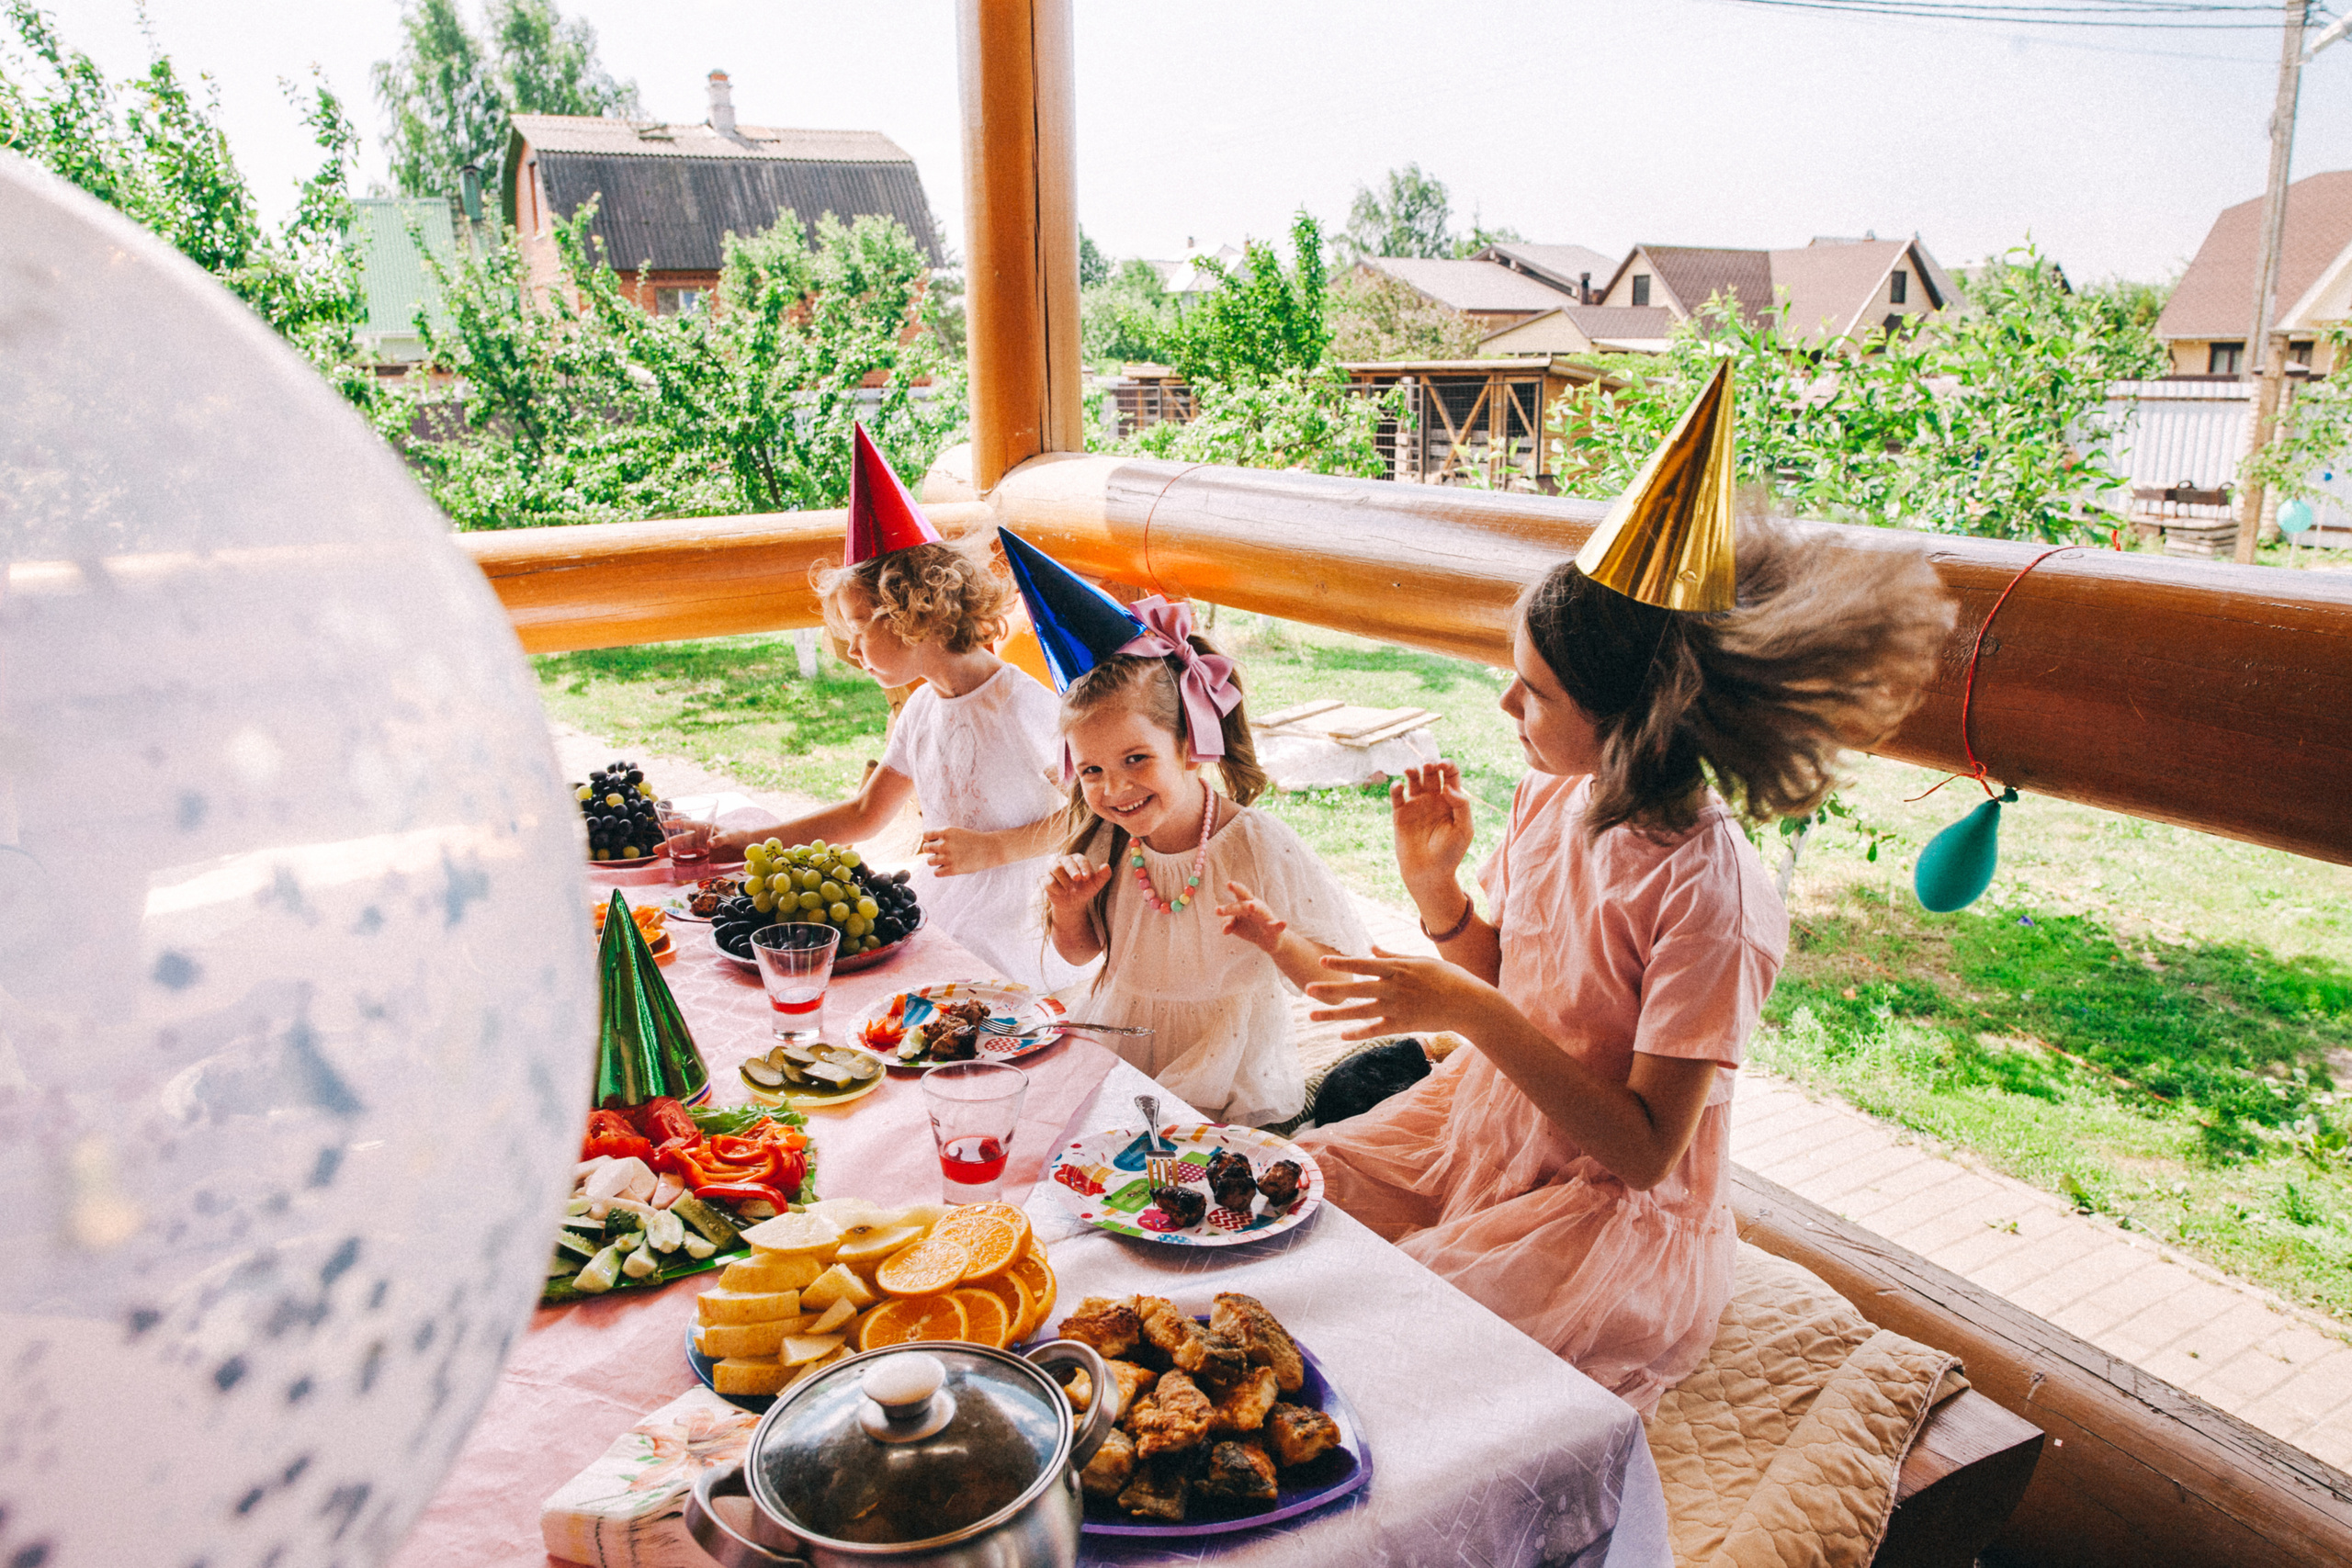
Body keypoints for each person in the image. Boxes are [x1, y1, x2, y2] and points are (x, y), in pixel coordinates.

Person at [1297, 365, 1953, 1415]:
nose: (1505, 699)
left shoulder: (1711, 893)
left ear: (1638, 718)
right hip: (1495, 1124)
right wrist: (1440, 900)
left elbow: (1647, 1150)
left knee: (1386, 1342)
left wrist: (1462, 1008)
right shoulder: (1551, 796)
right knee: (1286, 1198)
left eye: (1537, 689)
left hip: (1606, 1209)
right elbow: (1511, 976)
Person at [1000, 530, 1366, 1127]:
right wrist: (1070, 909)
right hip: (1120, 1048)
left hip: (1224, 1075)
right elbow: (1084, 949)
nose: (1114, 789)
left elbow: (1336, 984)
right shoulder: (1105, 838)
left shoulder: (1256, 846)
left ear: (1192, 743)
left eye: (1136, 759)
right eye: (1092, 769)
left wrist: (1278, 942)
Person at [708, 429, 1079, 992]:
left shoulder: (1023, 704)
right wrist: (750, 841)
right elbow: (864, 814)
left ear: (915, 610)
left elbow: (1093, 814)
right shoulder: (923, 709)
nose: (853, 651)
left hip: (1018, 917)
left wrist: (997, 847)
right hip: (947, 897)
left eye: (859, 628)